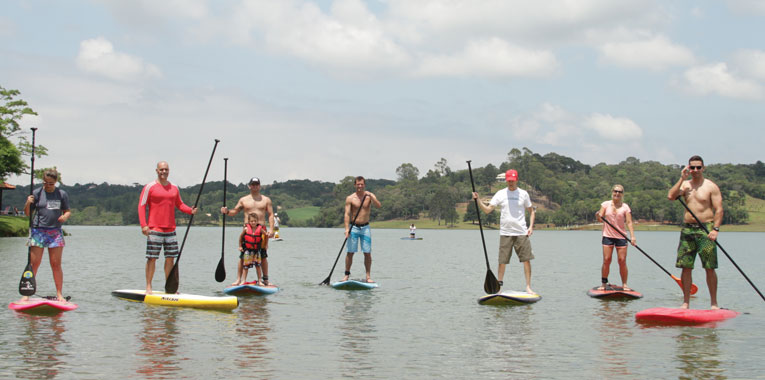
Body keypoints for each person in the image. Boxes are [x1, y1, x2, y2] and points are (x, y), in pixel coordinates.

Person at [668, 155, 723, 309]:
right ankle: (686, 302)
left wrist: (715, 229)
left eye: (698, 167)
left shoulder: (711, 186)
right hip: (688, 229)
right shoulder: (685, 185)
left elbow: (719, 210)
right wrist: (681, 178)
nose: (695, 170)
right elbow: (671, 196)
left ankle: (714, 303)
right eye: (692, 167)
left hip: (706, 229)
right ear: (688, 168)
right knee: (686, 266)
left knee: (709, 267)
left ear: (703, 168)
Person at [472, 169, 536, 294]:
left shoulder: (523, 194)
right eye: (509, 180)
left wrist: (531, 227)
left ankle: (528, 287)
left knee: (526, 260)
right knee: (502, 261)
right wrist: (478, 200)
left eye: (512, 180)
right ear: (506, 180)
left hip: (521, 232)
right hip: (505, 233)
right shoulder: (500, 194)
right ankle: (499, 288)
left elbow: (531, 211)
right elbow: (487, 210)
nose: (511, 183)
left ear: (516, 180)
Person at [138, 161, 197, 294]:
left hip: (170, 230)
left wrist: (190, 210)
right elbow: (141, 206)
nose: (164, 172)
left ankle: (169, 288)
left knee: (170, 259)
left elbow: (180, 204)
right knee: (152, 258)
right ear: (157, 171)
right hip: (154, 229)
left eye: (166, 169)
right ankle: (148, 286)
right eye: (161, 170)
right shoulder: (149, 187)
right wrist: (144, 225)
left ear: (169, 171)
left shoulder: (174, 188)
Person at [23, 169, 71, 302]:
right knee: (34, 263)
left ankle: (59, 294)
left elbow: (67, 211)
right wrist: (28, 202)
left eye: (51, 183)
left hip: (55, 232)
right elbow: (27, 213)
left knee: (55, 264)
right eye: (45, 182)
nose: (47, 185)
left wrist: (64, 216)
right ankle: (27, 294)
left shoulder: (61, 194)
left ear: (56, 182)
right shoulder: (37, 193)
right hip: (38, 231)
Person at [221, 177, 275, 286]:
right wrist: (226, 212)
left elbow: (271, 215)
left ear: (259, 186)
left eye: (256, 184)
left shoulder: (266, 200)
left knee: (263, 255)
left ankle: (265, 279)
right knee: (242, 256)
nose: (254, 186)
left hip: (262, 230)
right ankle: (239, 280)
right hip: (247, 230)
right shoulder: (243, 200)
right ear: (249, 186)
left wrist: (272, 229)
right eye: (252, 184)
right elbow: (234, 211)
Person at [595, 184, 636, 290]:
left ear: (622, 194)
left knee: (622, 260)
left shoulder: (625, 207)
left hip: (621, 237)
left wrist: (632, 237)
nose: (617, 193)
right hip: (607, 236)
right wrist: (598, 216)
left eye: (620, 192)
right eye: (615, 191)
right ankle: (604, 283)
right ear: (612, 192)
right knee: (607, 260)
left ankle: (625, 284)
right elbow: (600, 219)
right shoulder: (605, 204)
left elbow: (629, 222)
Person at [342, 176, 382, 282]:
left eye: (362, 184)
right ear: (355, 185)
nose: (360, 186)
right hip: (353, 227)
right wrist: (346, 229)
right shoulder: (350, 198)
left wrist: (372, 197)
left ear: (364, 185)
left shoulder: (369, 196)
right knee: (350, 252)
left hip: (365, 228)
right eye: (358, 184)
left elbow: (378, 205)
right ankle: (346, 275)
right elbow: (347, 214)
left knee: (367, 252)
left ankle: (368, 277)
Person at [238, 213, 267, 285]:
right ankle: (243, 280)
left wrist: (265, 245)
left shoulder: (260, 230)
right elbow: (241, 237)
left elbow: (266, 235)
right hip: (248, 251)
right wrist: (240, 246)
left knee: (258, 266)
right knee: (245, 266)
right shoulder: (246, 229)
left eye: (255, 221)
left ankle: (260, 280)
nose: (253, 222)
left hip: (256, 251)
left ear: (257, 221)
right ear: (249, 221)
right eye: (251, 221)